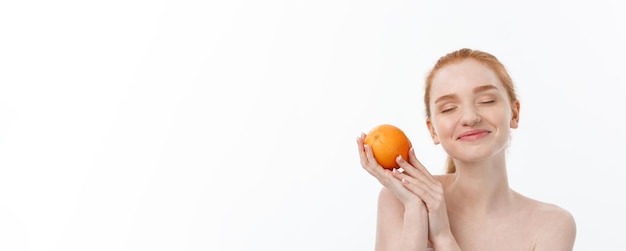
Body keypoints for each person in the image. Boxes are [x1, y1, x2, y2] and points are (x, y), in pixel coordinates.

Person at [356, 48, 576, 251]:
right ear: (433, 131)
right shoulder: (399, 200)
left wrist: (443, 237)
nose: (470, 117)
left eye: (487, 101)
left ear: (515, 113)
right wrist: (415, 211)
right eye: (449, 108)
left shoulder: (552, 225)